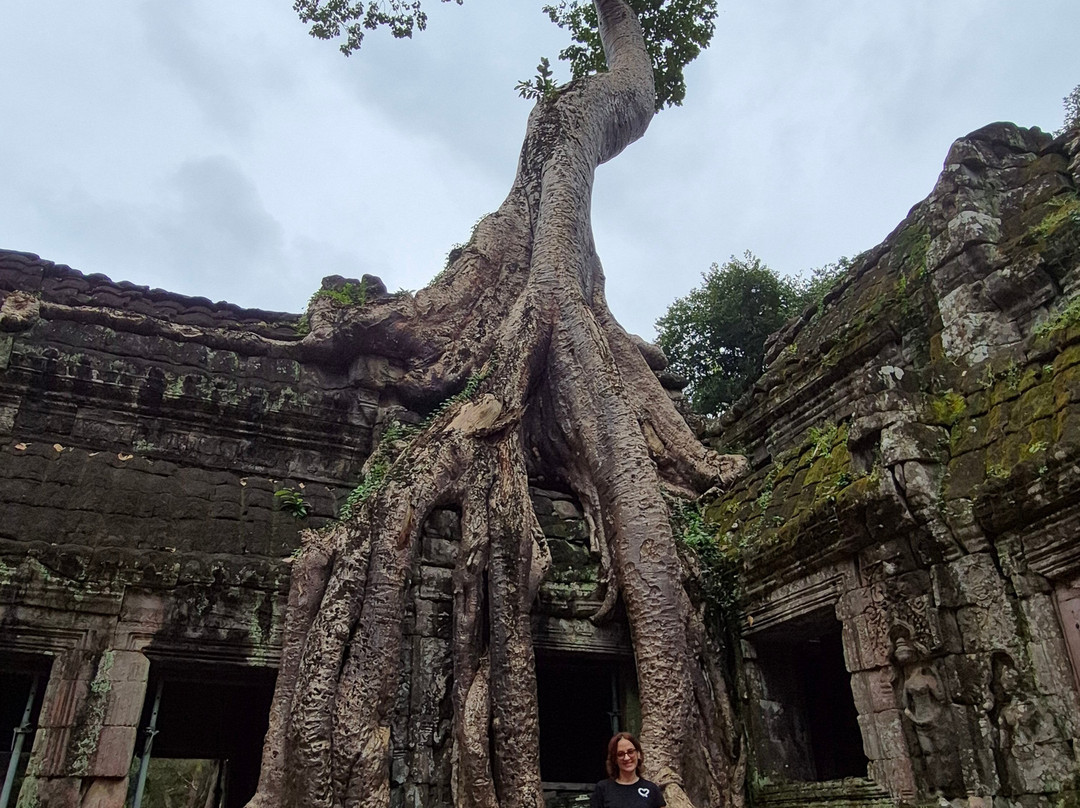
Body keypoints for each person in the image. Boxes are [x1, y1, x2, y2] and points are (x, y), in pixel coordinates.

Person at [591, 732, 666, 808]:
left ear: (638, 754)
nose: (626, 758)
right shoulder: (603, 789)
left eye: (630, 752)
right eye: (620, 754)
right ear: (614, 759)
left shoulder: (652, 789)